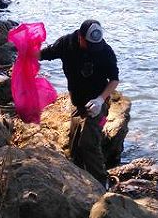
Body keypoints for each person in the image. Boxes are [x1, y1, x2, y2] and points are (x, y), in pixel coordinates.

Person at [40, 19, 119, 183]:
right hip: (78, 102)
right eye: (89, 45)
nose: (93, 49)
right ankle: (79, 180)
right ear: (80, 37)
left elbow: (114, 80)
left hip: (98, 103)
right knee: (75, 147)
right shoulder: (66, 43)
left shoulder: (105, 51)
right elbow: (44, 54)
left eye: (95, 46)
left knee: (88, 144)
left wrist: (100, 100)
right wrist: (27, 54)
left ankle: (100, 182)